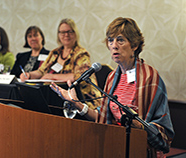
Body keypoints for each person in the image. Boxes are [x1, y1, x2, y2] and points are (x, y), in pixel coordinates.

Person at [50, 17, 174, 158]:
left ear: (134, 45)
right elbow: (103, 118)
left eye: (120, 40)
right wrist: (76, 103)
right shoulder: (111, 78)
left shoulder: (150, 77)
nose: (114, 45)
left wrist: (135, 124)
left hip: (139, 151)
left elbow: (164, 133)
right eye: (110, 40)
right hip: (114, 148)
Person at [20, 18, 101, 109]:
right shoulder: (55, 53)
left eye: (69, 32)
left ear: (75, 33)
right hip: (60, 97)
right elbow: (41, 71)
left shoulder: (81, 54)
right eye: (62, 32)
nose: (66, 35)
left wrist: (52, 77)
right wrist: (29, 75)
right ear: (58, 35)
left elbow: (79, 76)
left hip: (84, 100)